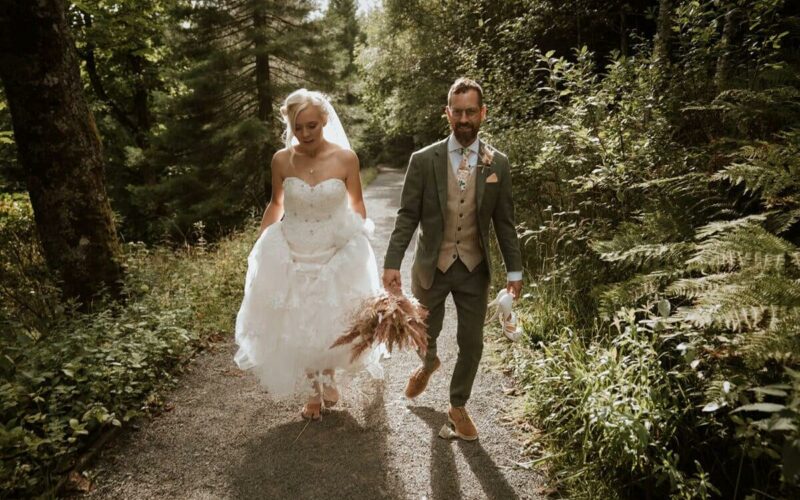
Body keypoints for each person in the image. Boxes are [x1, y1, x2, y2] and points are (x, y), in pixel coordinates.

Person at [382, 77, 523, 441]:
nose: (464, 119)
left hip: (474, 268)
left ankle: (457, 406)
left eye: (470, 112)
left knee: (472, 342)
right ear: (447, 114)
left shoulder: (498, 164)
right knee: (425, 334)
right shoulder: (423, 160)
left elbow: (505, 222)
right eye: (457, 112)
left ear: (483, 114)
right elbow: (407, 216)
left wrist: (515, 270)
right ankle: (428, 364)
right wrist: (392, 262)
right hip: (433, 266)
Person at [234, 89, 383, 421]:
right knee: (297, 318)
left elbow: (357, 205)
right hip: (292, 247)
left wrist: (358, 239)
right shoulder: (281, 160)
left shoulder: (346, 159)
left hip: (334, 248)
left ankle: (328, 374)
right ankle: (314, 391)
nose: (304, 134)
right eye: (298, 127)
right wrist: (260, 246)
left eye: (311, 126)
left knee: (331, 318)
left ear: (325, 120)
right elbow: (277, 203)